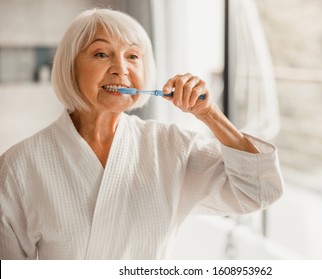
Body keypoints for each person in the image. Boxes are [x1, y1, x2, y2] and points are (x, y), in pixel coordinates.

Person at [0, 8, 283, 260]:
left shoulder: (171, 146)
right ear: (70, 67)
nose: (121, 69)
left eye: (133, 56)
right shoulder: (19, 165)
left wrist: (210, 114)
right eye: (101, 54)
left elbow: (258, 191)